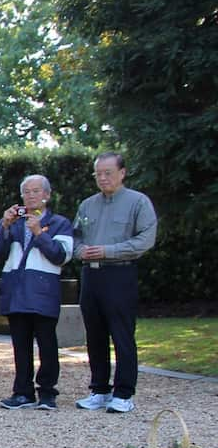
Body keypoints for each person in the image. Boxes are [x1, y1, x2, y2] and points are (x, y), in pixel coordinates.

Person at [72, 152, 158, 414]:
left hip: (120, 274)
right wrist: (80, 251)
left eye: (108, 172)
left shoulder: (138, 202)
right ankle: (99, 389)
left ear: (122, 173)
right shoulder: (87, 205)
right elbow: (74, 238)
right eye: (98, 173)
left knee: (122, 334)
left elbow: (145, 239)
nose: (102, 178)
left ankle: (123, 392)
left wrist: (109, 251)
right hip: (91, 275)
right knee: (95, 334)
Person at [0, 175, 74, 411]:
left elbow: (61, 255)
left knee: (47, 343)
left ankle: (47, 392)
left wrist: (39, 233)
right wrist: (4, 226)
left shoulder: (59, 223)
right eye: (26, 192)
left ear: (47, 195)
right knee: (20, 344)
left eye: (36, 191)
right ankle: (22, 392)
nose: (31, 196)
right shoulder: (12, 222)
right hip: (16, 291)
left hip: (43, 291)